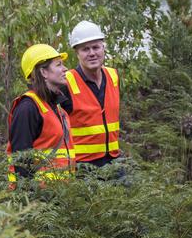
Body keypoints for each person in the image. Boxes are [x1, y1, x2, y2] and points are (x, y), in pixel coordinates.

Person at [7, 44, 75, 185]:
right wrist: (31, 202)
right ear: (43, 72)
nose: (65, 69)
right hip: (39, 199)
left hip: (61, 197)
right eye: (59, 65)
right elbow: (21, 162)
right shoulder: (27, 108)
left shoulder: (56, 107)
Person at [65, 21, 121, 167]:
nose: (92, 53)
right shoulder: (66, 82)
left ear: (103, 48)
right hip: (82, 166)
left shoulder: (113, 76)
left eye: (96, 47)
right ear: (77, 53)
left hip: (113, 160)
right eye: (85, 49)